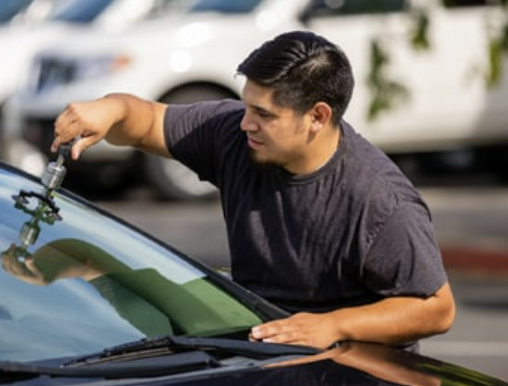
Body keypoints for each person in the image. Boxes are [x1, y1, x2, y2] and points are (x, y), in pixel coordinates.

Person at [51, 30, 456, 350]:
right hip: (253, 341)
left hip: (344, 366)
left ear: (317, 116)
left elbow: (436, 309)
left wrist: (332, 324)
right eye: (247, 106)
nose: (246, 123)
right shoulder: (235, 133)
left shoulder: (380, 201)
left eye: (263, 114)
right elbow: (148, 121)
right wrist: (112, 108)